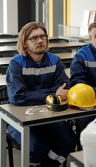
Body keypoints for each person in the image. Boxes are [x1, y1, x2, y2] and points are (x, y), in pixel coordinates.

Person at [6, 22, 78, 167]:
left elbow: (64, 87)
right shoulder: (16, 63)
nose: (40, 41)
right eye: (34, 38)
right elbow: (18, 97)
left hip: (49, 114)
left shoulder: (54, 60)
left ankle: (45, 165)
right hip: (21, 116)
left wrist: (38, 94)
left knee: (70, 140)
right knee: (36, 148)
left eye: (42, 36)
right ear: (25, 43)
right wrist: (52, 93)